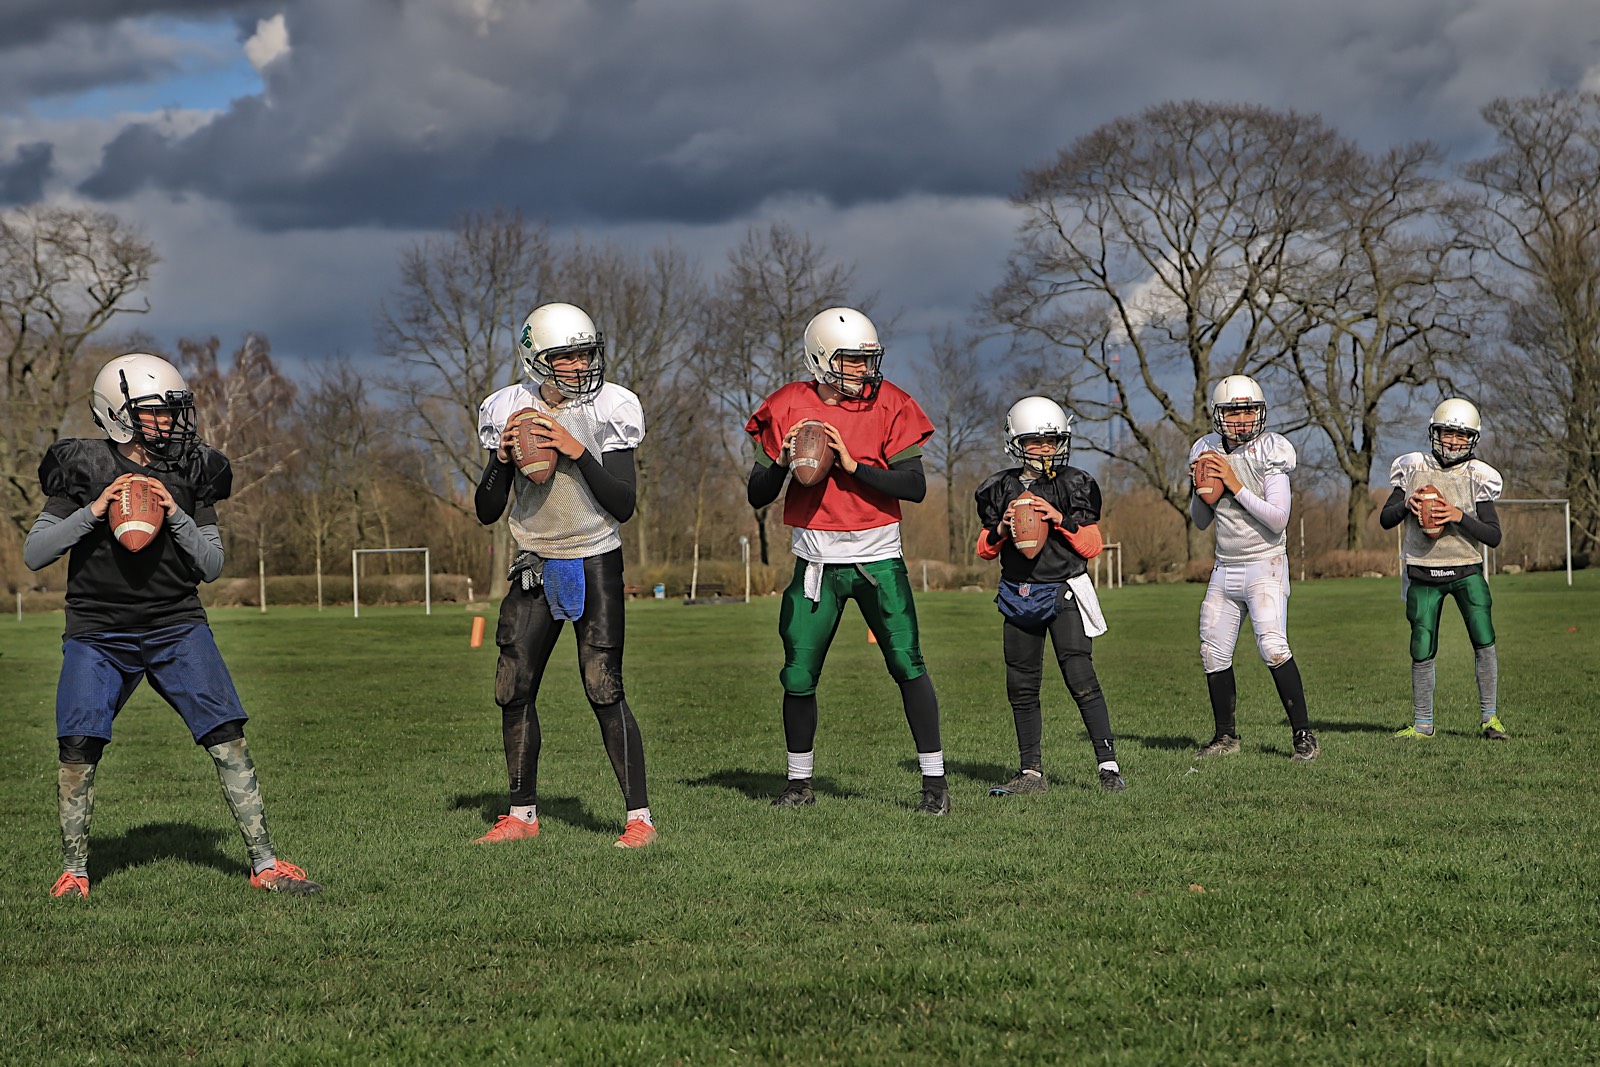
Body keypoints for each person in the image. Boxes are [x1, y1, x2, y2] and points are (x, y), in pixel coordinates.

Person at [25, 353, 322, 899]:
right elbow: (35, 552)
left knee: (227, 737)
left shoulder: (192, 470)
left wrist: (175, 513)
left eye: (173, 412)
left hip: (175, 624)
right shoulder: (81, 468)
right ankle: (75, 871)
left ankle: (265, 863)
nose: (170, 424)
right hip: (98, 630)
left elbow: (211, 566)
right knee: (78, 742)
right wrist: (92, 511)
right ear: (117, 413)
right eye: (155, 413)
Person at [745, 307, 949, 815]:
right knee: (798, 673)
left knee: (907, 665)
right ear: (819, 360)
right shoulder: (789, 404)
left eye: (867, 360)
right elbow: (757, 494)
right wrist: (783, 461)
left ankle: (935, 787)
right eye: (851, 360)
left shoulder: (893, 403)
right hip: (815, 562)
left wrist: (854, 466)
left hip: (878, 559)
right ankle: (799, 784)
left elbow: (916, 486)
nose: (862, 370)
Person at [473, 301, 657, 848]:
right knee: (513, 686)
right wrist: (500, 461)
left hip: (595, 556)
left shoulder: (610, 406)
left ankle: (639, 819)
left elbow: (623, 503)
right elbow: (487, 510)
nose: (580, 366)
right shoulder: (507, 409)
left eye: (585, 354)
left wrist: (577, 453)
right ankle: (521, 814)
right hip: (533, 561)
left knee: (603, 685)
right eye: (566, 356)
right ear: (536, 360)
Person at [974, 397, 1126, 794]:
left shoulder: (1075, 483)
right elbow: (983, 549)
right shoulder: (998, 488)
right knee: (1021, 685)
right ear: (1015, 442)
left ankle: (1108, 767)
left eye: (1053, 441)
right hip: (1017, 593)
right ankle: (1031, 772)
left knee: (1081, 677)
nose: (1046, 450)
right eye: (1036, 442)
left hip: (1063, 591)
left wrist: (1060, 520)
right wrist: (1004, 528)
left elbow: (1092, 545)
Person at [1188, 374, 1318, 761]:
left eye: (1248, 410)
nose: (1242, 420)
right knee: (1213, 652)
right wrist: (1201, 489)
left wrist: (1233, 483)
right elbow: (1199, 520)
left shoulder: (1270, 451)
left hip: (1265, 563)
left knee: (1274, 647)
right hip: (1225, 566)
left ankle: (1303, 736)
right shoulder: (1206, 449)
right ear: (1218, 415)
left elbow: (1278, 519)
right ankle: (1226, 737)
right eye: (1233, 411)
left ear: (1260, 413)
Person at [1378, 399, 1507, 741]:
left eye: (1460, 436)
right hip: (1423, 572)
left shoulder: (1476, 475)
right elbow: (1385, 520)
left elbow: (1493, 536)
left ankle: (1490, 719)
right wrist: (1406, 503)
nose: (1452, 442)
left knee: (1484, 640)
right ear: (1434, 432)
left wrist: (1456, 516)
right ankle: (1423, 724)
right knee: (1421, 646)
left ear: (1472, 440)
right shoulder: (1412, 469)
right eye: (1447, 433)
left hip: (1466, 570)